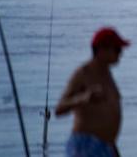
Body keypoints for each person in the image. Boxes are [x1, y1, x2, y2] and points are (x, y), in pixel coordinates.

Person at [55, 27, 130, 157]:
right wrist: (83, 98)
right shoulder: (83, 73)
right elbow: (59, 109)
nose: (120, 54)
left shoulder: (107, 75)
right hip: (86, 145)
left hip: (107, 146)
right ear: (101, 49)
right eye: (117, 49)